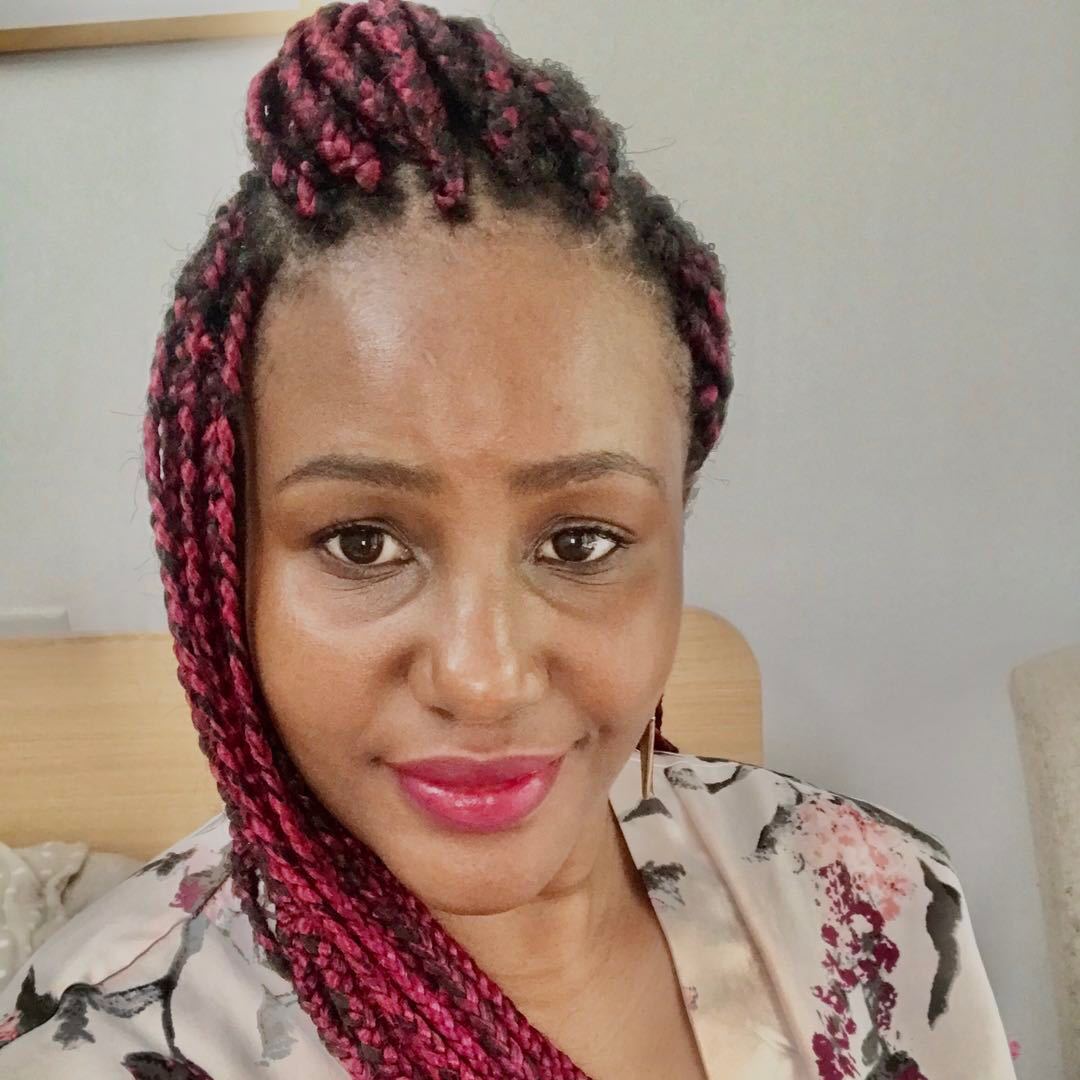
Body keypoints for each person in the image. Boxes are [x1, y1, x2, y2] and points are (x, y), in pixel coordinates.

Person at [0, 2, 1017, 1077]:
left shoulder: (885, 905)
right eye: (361, 543)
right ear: (223, 566)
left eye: (580, 542)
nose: (481, 681)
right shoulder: (90, 1050)